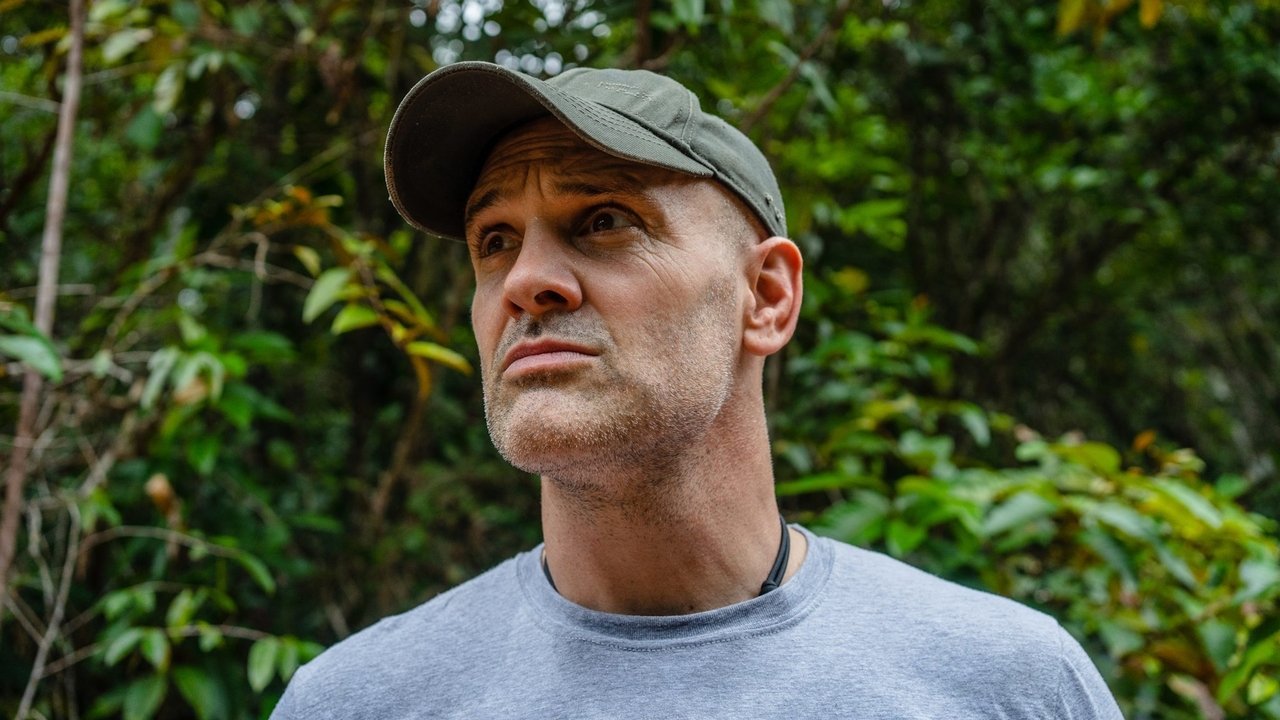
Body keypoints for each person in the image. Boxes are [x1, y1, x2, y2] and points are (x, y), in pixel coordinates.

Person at [271, 61, 1124, 719]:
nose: (526, 280)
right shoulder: (357, 702)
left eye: (603, 221)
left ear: (766, 297)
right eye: (493, 240)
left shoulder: (1004, 683)